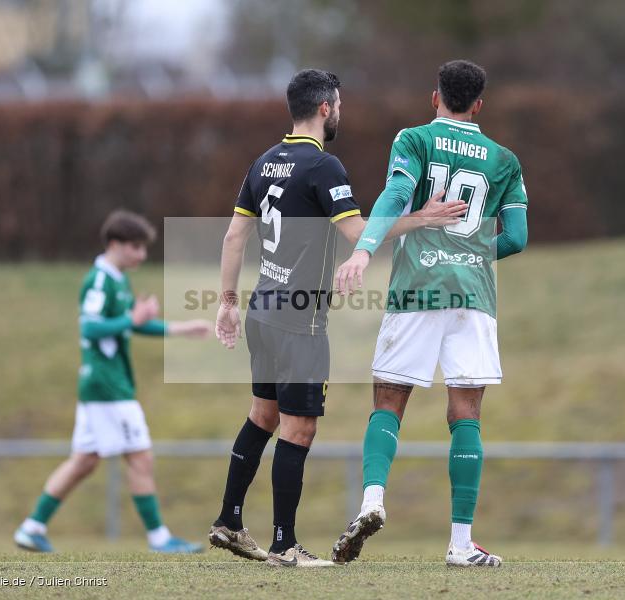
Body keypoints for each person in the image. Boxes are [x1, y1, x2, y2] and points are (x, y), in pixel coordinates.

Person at [209, 69, 466, 567]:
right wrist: (423, 219)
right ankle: (285, 546)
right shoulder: (324, 166)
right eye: (340, 104)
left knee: (262, 416)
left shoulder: (263, 163)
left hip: (263, 308)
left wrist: (225, 302)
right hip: (300, 319)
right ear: (326, 108)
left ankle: (230, 522)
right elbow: (358, 234)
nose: (341, 112)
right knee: (298, 428)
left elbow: (233, 238)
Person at [331, 59, 529, 567]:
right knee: (466, 414)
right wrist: (470, 252)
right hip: (473, 297)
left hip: (417, 287)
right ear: (480, 104)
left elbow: (398, 194)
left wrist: (363, 250)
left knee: (389, 399)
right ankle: (461, 544)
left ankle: (372, 501)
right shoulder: (505, 159)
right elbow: (517, 238)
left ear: (434, 97)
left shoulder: (414, 139)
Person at [13, 209, 212, 553]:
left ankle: (32, 528)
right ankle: (159, 538)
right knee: (140, 456)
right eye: (135, 247)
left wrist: (180, 328)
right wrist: (130, 317)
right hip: (107, 385)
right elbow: (88, 326)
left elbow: (129, 323)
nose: (142, 255)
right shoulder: (100, 280)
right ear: (116, 244)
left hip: (103, 384)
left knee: (84, 461)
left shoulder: (117, 279)